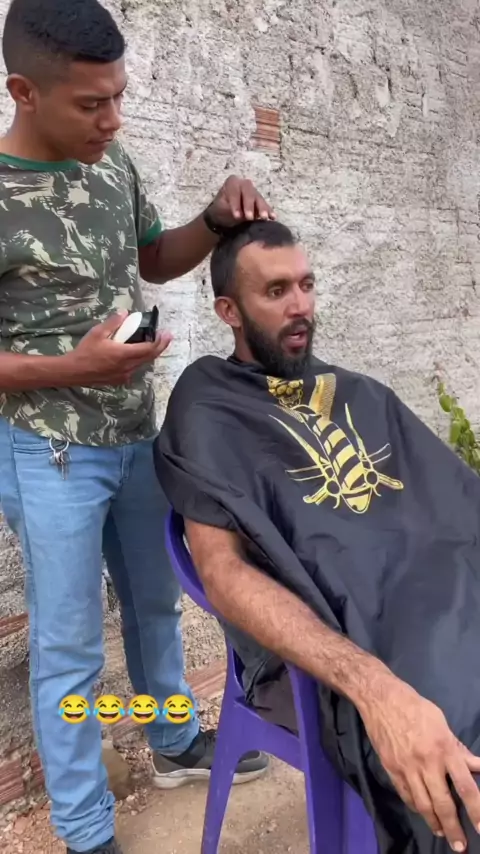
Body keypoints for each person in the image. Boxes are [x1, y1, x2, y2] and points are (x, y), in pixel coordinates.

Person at [0, 1, 271, 852]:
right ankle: (85, 828)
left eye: (118, 96)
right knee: (70, 646)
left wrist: (214, 222)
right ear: (24, 92)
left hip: (134, 435)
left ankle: (173, 740)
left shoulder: (111, 163)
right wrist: (70, 370)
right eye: (92, 103)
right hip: (50, 449)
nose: (113, 119)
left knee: (157, 604)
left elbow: (153, 255)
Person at [155, 219, 480, 854]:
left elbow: (453, 506)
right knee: (459, 779)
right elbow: (223, 573)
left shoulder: (361, 394)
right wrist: (374, 688)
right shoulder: (208, 404)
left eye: (306, 284)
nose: (300, 305)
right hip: (340, 645)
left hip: (437, 605)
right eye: (276, 291)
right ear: (229, 311)